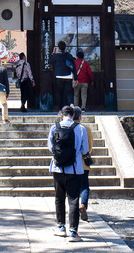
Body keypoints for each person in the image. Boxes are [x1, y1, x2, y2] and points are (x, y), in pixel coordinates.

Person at [48, 104, 89, 242]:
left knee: (59, 197)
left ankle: (61, 227)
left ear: (62, 114)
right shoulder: (80, 128)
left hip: (57, 168)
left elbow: (50, 147)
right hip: (75, 169)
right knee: (73, 199)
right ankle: (73, 232)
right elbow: (85, 150)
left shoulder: (54, 127)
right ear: (73, 115)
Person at [72, 106, 94, 223]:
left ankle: (73, 209)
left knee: (73, 187)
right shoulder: (86, 129)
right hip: (83, 162)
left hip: (71, 163)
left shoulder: (68, 128)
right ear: (80, 117)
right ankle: (83, 205)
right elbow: (89, 145)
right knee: (84, 186)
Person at [48, 41, 76, 109]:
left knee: (60, 93)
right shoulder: (69, 55)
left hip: (59, 76)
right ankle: (71, 104)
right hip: (68, 76)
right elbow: (74, 67)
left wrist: (53, 53)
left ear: (58, 48)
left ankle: (61, 108)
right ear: (65, 47)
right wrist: (76, 78)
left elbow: (49, 61)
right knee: (69, 92)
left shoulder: (56, 56)